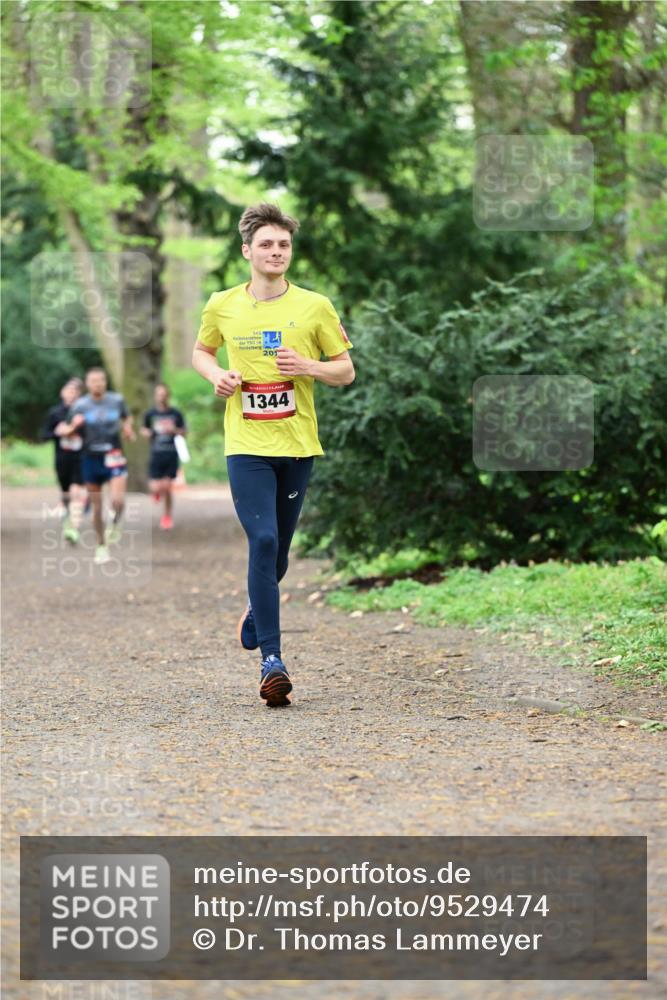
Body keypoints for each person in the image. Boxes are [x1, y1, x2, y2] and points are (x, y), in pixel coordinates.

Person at [192, 202, 355, 707]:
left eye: (283, 244)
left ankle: (254, 608)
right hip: (246, 445)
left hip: (298, 444)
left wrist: (307, 365)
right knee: (262, 539)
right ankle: (272, 660)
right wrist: (216, 375)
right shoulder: (222, 304)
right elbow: (201, 352)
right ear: (248, 251)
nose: (276, 251)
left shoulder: (314, 306)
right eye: (266, 244)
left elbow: (345, 370)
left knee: (279, 551)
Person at [61, 367, 135, 565]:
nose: (98, 384)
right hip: (90, 458)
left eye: (101, 380)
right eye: (93, 381)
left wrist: (128, 428)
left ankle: (116, 522)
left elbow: (127, 418)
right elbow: (65, 431)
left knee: (118, 501)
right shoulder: (80, 405)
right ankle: (101, 545)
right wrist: (73, 427)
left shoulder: (117, 400)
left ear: (105, 382)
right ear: (87, 383)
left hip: (114, 455)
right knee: (97, 507)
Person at [41, 377, 86, 544]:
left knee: (76, 492)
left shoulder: (85, 413)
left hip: (80, 458)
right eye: (69, 391)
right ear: (62, 393)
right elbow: (44, 435)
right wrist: (58, 432)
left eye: (75, 392)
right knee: (66, 493)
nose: (72, 395)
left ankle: (74, 529)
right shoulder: (55, 413)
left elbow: (93, 436)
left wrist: (77, 430)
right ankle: (68, 520)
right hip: (62, 459)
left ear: (80, 395)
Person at [141, 383, 187, 530]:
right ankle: (156, 493)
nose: (161, 397)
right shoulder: (150, 414)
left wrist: (174, 430)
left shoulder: (175, 413)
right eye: (159, 394)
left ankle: (167, 516)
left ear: (168, 396)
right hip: (156, 453)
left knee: (167, 487)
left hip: (171, 453)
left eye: (164, 394)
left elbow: (184, 431)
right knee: (155, 487)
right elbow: (144, 429)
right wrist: (148, 433)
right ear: (155, 396)